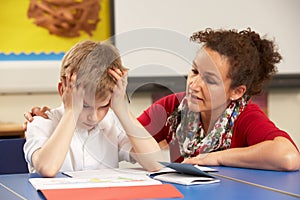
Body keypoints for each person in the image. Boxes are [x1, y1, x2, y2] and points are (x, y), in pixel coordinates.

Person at [24, 28, 300, 171]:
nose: (194, 84)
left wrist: (213, 158)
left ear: (236, 91)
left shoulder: (245, 116)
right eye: (193, 71)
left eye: (210, 80)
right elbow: (140, 141)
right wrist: (70, 112)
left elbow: (288, 155)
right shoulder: (172, 108)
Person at [23, 40, 163, 177]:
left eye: (103, 106)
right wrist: (72, 111)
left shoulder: (111, 124)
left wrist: (121, 107)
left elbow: (156, 163)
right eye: (85, 106)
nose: (93, 117)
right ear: (63, 91)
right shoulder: (41, 123)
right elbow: (47, 168)